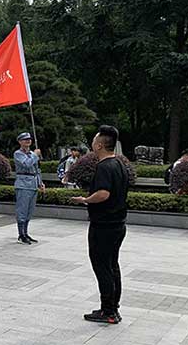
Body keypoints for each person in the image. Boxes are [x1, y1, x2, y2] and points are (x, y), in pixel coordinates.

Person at [71, 125, 128, 324]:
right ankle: (113, 307)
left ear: (100, 145)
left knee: (102, 267)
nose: (92, 142)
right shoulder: (119, 163)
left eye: (95, 139)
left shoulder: (104, 166)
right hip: (118, 224)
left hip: (104, 225)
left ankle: (108, 311)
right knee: (112, 266)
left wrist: (85, 200)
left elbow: (103, 193)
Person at [14, 132, 45, 244]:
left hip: (33, 184)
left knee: (29, 211)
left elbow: (37, 170)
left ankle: (26, 233)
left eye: (29, 139)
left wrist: (40, 182)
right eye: (25, 139)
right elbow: (26, 164)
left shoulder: (32, 153)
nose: (28, 141)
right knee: (22, 210)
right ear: (20, 141)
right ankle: (21, 234)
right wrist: (35, 155)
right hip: (23, 184)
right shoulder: (18, 154)